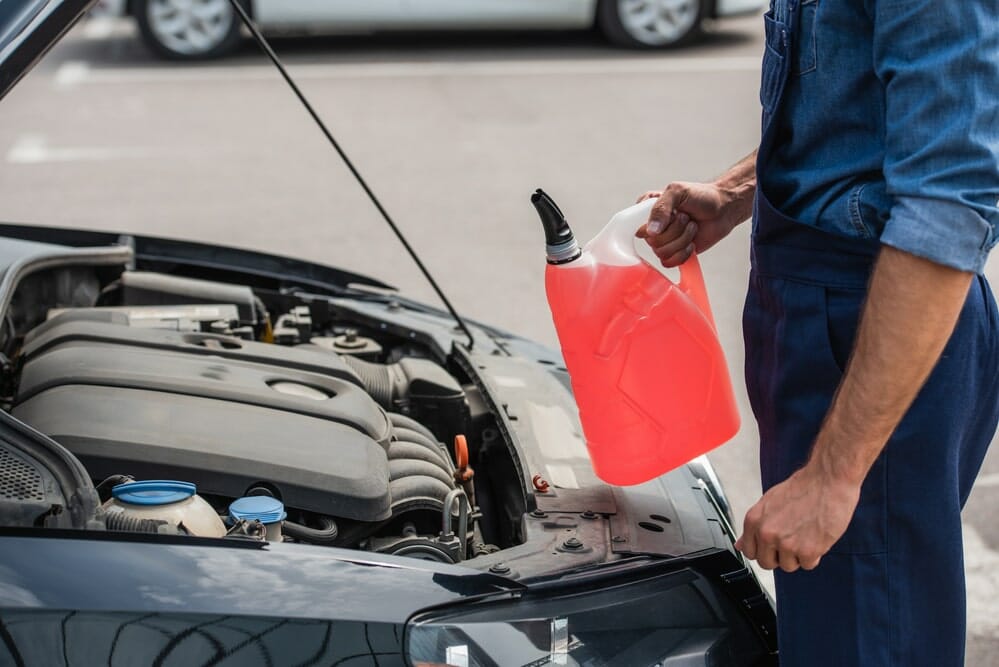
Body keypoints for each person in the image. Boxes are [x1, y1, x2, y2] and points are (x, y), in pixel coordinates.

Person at [635, 1, 999, 665]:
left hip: (872, 329)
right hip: (823, 310)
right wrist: (736, 189)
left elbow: (949, 202)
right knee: (842, 626)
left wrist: (833, 475)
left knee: (868, 643)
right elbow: (859, 103)